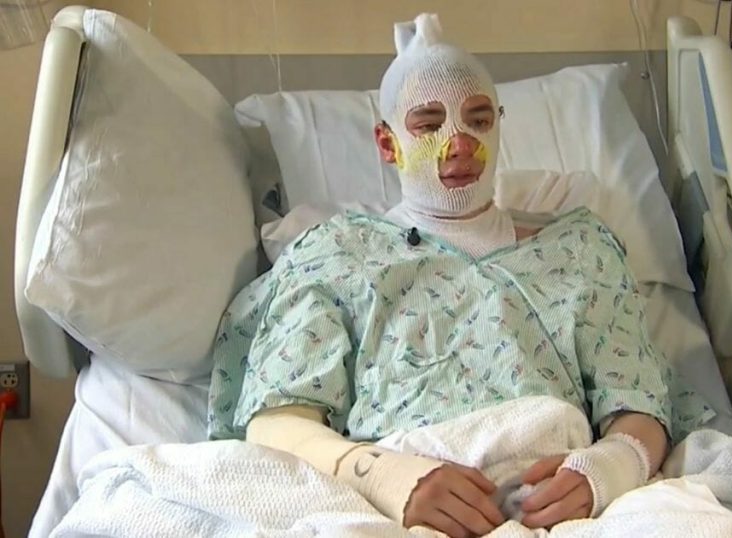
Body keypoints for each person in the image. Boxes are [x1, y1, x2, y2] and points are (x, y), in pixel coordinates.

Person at [208, 13, 686, 538]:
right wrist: (389, 478)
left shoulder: (579, 251)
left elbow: (640, 406)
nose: (460, 143)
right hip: (390, 505)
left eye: (478, 120)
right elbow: (277, 423)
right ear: (387, 143)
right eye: (429, 124)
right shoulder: (337, 256)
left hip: (562, 510)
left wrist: (605, 470)